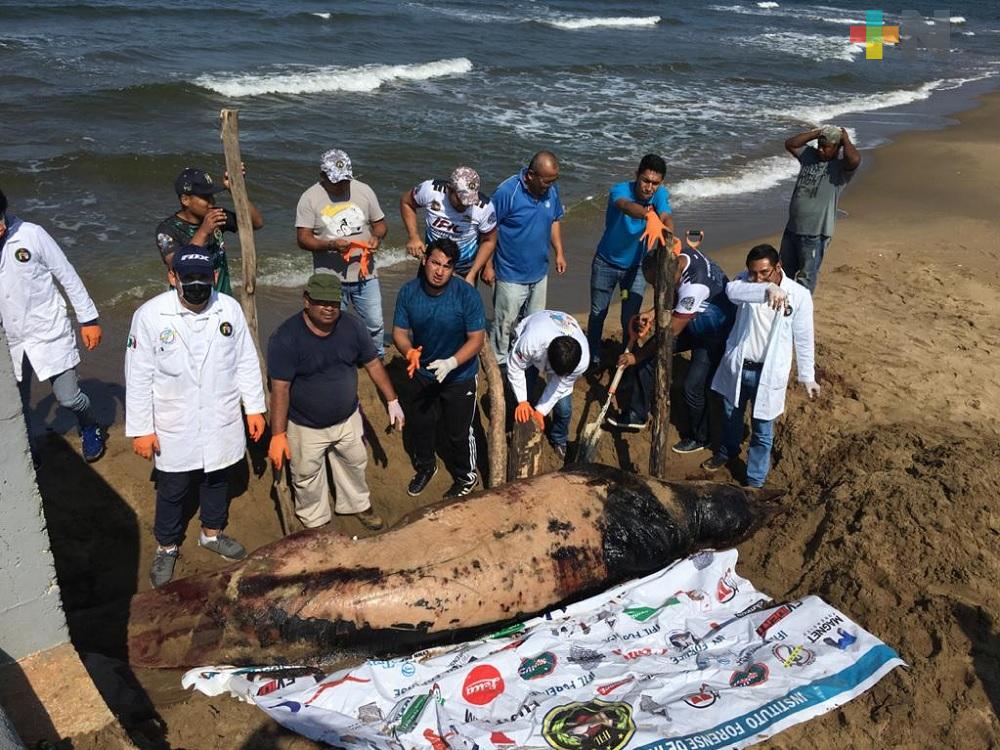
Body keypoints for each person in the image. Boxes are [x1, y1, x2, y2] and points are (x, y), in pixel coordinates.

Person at [125, 247, 266, 587]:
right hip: (175, 421)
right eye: (189, 278)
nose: (198, 284)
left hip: (221, 415)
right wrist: (141, 429)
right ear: (173, 278)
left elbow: (246, 361)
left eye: (204, 277)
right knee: (173, 487)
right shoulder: (151, 316)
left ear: (214, 277)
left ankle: (212, 533)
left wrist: (255, 407)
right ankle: (168, 546)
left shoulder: (228, 308)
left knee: (217, 477)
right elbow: (138, 375)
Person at [266, 274, 404, 531]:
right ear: (306, 301)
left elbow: (373, 364)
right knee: (306, 475)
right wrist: (278, 435)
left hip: (347, 417)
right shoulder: (285, 338)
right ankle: (315, 520)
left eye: (334, 302)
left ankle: (357, 504)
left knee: (354, 462)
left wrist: (392, 400)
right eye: (321, 302)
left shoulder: (353, 327)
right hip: (305, 425)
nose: (329, 308)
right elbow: (280, 389)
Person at [0, 188, 106, 462]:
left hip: (47, 330)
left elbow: (66, 274)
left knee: (68, 398)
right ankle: (26, 451)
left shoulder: (31, 234)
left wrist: (89, 319)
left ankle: (89, 423)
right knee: (17, 404)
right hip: (8, 338)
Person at [701, 244, 819, 488]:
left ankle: (754, 481)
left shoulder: (798, 295)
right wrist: (767, 289)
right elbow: (732, 291)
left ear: (778, 267)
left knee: (763, 430)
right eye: (753, 272)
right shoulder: (745, 284)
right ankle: (727, 451)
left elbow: (804, 338)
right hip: (740, 366)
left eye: (764, 273)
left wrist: (808, 376)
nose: (757, 278)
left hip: (768, 373)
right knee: (731, 414)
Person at [611, 240, 736, 455]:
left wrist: (636, 356)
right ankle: (636, 415)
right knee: (649, 360)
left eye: (657, 285)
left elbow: (669, 334)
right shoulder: (682, 257)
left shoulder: (694, 287)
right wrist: (652, 313)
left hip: (713, 334)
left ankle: (701, 437)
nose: (656, 288)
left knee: (692, 387)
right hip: (693, 320)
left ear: (670, 275)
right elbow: (673, 295)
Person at [392, 238, 486, 499]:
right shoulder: (409, 292)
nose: (439, 271)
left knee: (459, 432)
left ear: (453, 269)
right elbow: (399, 332)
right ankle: (426, 467)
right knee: (421, 425)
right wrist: (408, 351)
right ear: (424, 260)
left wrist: (452, 362)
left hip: (459, 375)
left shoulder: (466, 294)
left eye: (446, 266)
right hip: (423, 373)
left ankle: (466, 476)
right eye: (435, 262)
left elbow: (476, 339)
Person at [296, 149, 388, 356]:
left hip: (366, 275)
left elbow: (380, 224)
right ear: (323, 176)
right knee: (329, 326)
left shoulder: (364, 191)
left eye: (345, 180)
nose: (342, 186)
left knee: (374, 323)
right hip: (328, 278)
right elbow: (303, 239)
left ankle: (376, 357)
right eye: (336, 182)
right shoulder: (309, 198)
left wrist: (376, 237)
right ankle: (335, 359)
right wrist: (330, 245)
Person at [587, 154, 673, 369]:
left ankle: (625, 360)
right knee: (599, 313)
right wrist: (648, 216)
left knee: (631, 318)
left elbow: (666, 216)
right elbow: (626, 206)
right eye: (645, 181)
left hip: (635, 269)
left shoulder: (660, 194)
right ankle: (593, 356)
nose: (649, 188)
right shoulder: (620, 190)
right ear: (637, 175)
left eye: (655, 183)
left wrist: (670, 233)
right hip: (606, 263)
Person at [488, 151, 567, 363]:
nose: (549, 185)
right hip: (509, 274)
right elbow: (488, 229)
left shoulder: (551, 190)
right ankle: (500, 363)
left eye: (554, 180)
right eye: (546, 181)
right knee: (504, 324)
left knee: (534, 323)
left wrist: (559, 251)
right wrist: (487, 266)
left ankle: (525, 359)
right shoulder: (507, 192)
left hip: (539, 272)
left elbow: (554, 220)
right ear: (531, 175)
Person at [155, 166, 264, 296]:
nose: (211, 202)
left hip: (220, 298)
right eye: (205, 197)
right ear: (185, 200)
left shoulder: (217, 216)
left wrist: (235, 190)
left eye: (211, 196)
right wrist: (203, 231)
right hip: (187, 302)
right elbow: (177, 264)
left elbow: (255, 223)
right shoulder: (168, 230)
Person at [780, 125, 861, 293]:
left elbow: (854, 160)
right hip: (793, 228)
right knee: (784, 274)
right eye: (820, 146)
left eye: (826, 147)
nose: (821, 150)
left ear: (837, 148)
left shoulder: (840, 170)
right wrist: (818, 133)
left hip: (815, 234)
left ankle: (800, 311)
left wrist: (845, 139)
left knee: (806, 277)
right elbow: (790, 144)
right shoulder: (809, 157)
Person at [507, 310, 588, 460]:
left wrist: (540, 412)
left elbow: (559, 386)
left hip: (564, 334)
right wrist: (523, 401)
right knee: (524, 388)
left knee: (563, 409)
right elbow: (515, 366)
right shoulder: (531, 343)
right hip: (537, 328)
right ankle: (515, 425)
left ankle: (559, 439)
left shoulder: (582, 361)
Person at [400, 166, 497, 284]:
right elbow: (407, 203)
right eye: (461, 201)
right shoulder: (431, 190)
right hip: (433, 262)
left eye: (470, 202)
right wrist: (413, 237)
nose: (465, 205)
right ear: (449, 189)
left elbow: (489, 240)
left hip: (464, 268)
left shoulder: (485, 208)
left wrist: (473, 273)